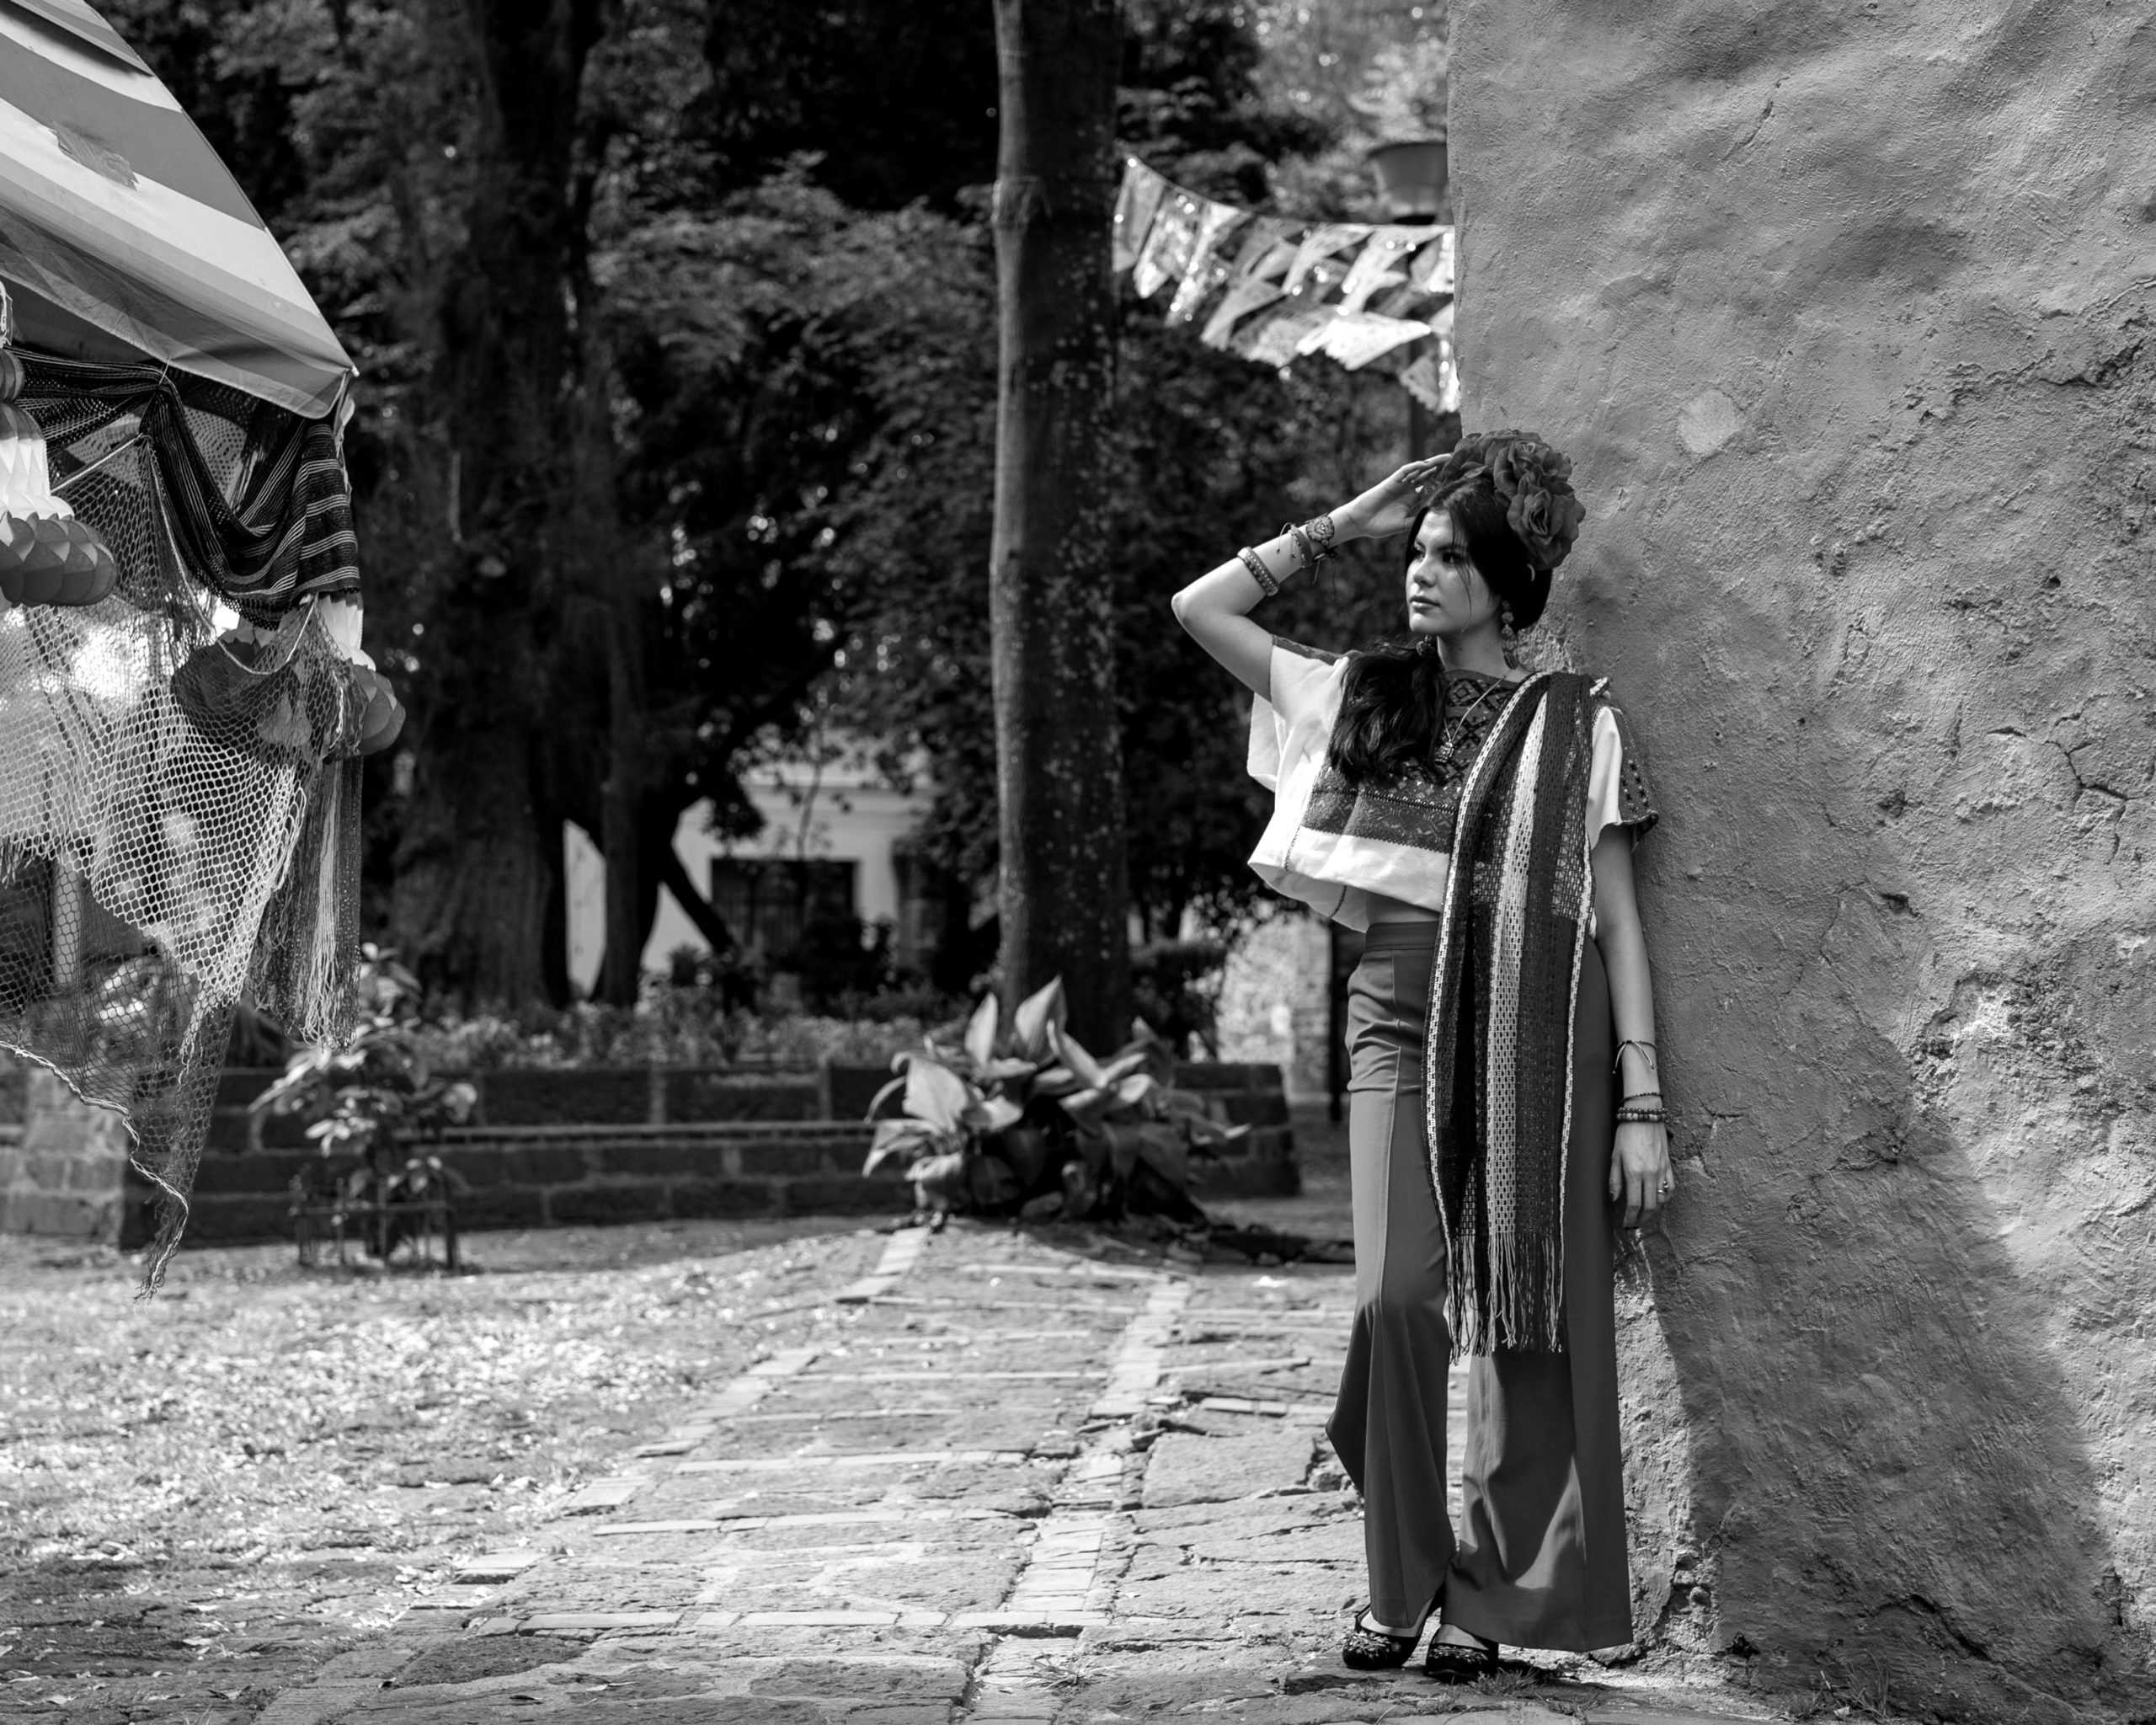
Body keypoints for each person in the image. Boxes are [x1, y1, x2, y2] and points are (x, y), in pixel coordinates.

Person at [1170, 430, 1672, 1681]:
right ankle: (1400, 1581)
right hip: (1393, 1024)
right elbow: (1200, 606)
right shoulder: (1360, 696)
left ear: (1508, 587)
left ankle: (1499, 1604)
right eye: (1418, 551)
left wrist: (1643, 1102)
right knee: (1396, 1299)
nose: (1422, 569)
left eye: (1450, 555)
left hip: (1537, 1037)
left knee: (1528, 1324)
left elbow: (1614, 919)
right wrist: (1347, 518)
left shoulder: (1573, 729)